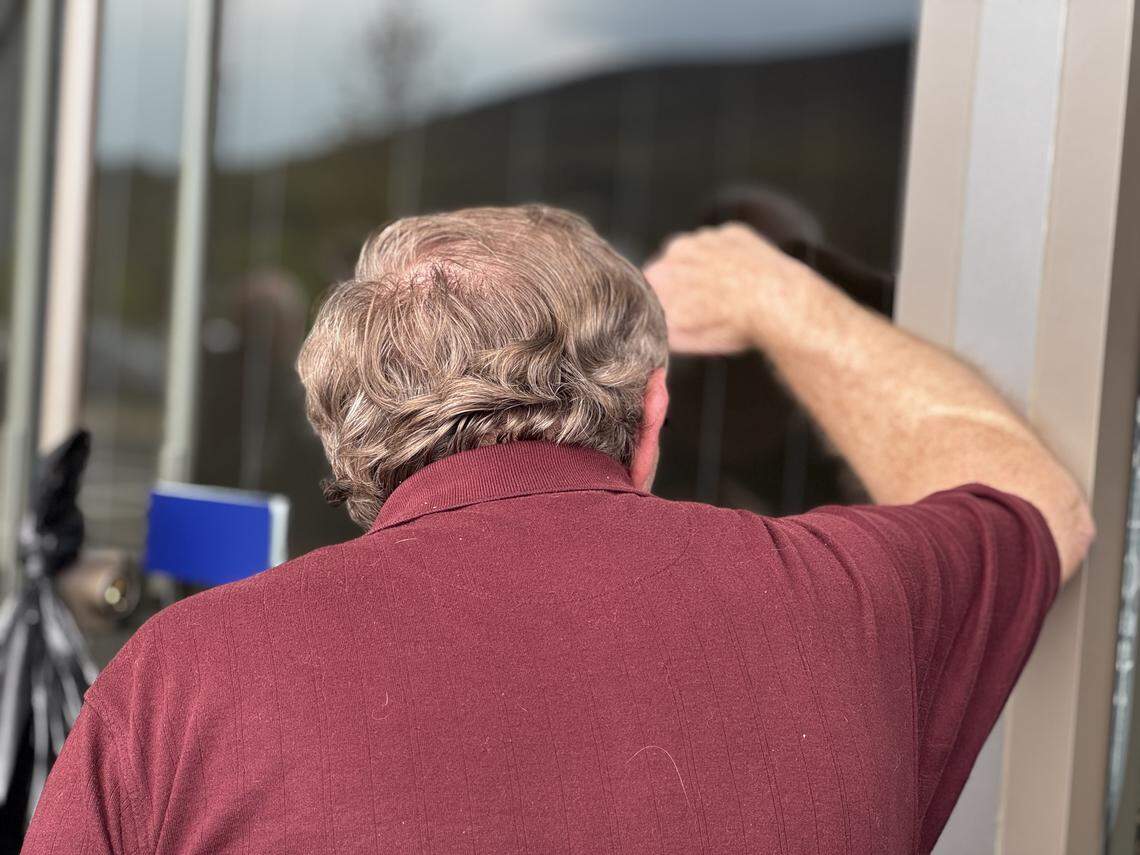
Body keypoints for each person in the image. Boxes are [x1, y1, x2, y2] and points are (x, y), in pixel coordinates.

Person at [23, 205, 1093, 854]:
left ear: (344, 442)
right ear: (654, 414)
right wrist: (771, 295)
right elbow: (1039, 500)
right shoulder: (845, 599)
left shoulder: (184, 686)